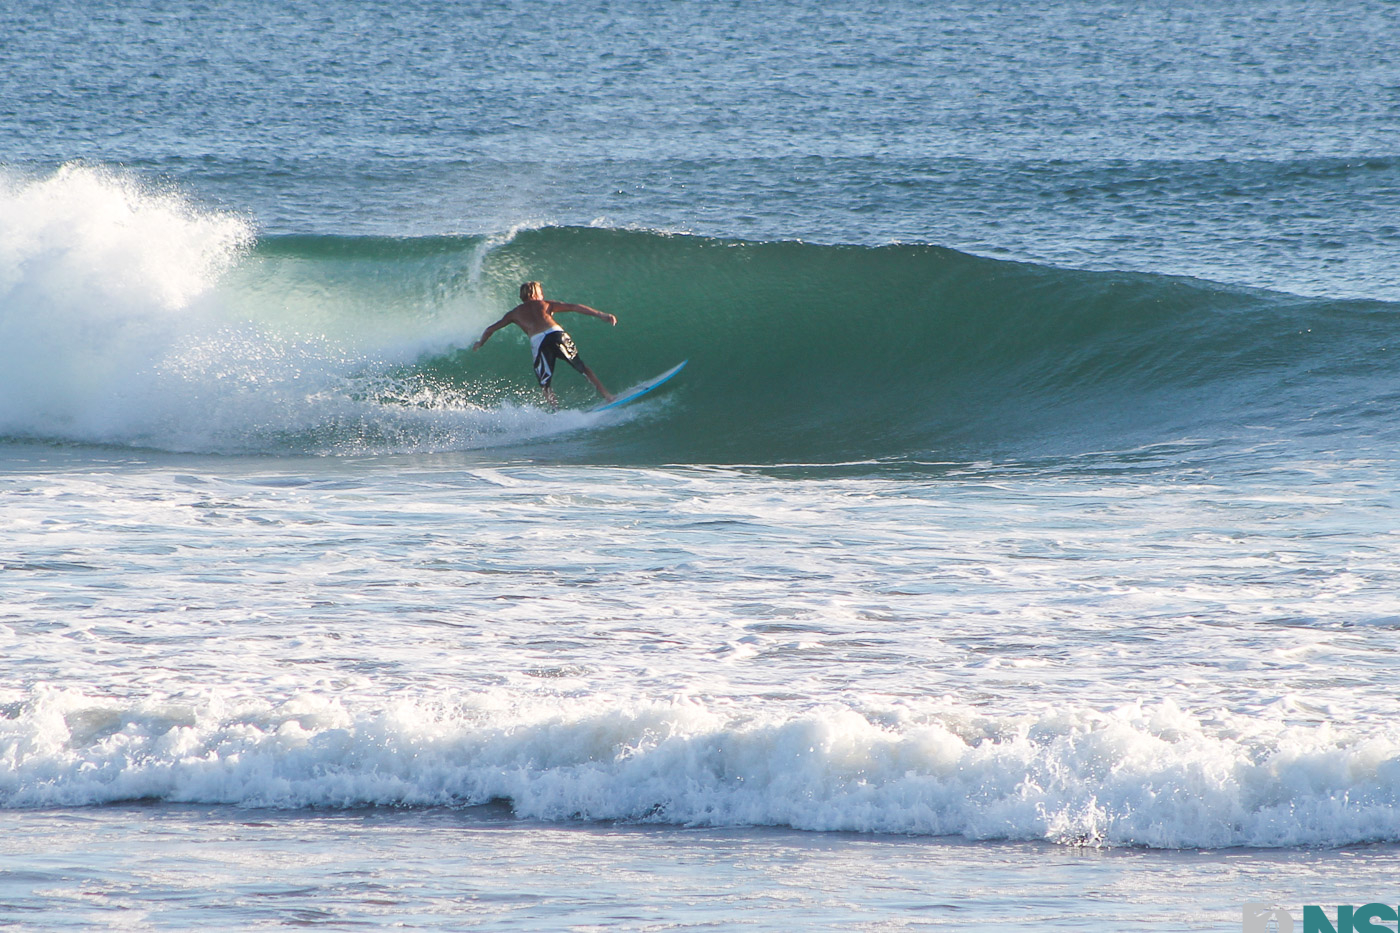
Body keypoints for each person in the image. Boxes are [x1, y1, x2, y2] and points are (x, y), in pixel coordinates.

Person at [472, 281, 618, 408]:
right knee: (582, 367)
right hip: (556, 334)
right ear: (536, 294)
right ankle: (608, 396)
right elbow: (574, 306)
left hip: (538, 341)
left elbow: (490, 329)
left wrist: (480, 343)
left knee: (545, 383)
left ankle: (556, 411)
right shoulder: (546, 304)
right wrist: (601, 315)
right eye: (541, 293)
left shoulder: (514, 313)